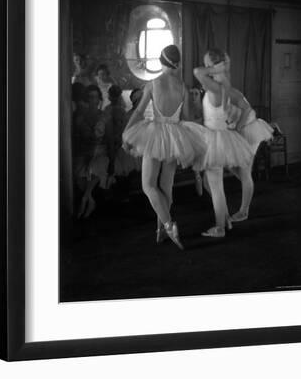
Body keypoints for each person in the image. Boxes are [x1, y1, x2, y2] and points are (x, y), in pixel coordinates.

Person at [122, 45, 206, 249]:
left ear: (161, 61)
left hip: (155, 136)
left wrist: (127, 132)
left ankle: (169, 226)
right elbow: (187, 118)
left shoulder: (153, 84)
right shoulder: (183, 87)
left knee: (148, 186)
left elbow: (139, 112)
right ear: (177, 64)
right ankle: (161, 231)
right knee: (166, 186)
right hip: (175, 138)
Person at [193, 50, 254, 237]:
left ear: (214, 65)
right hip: (224, 137)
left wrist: (214, 68)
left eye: (208, 63)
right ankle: (225, 219)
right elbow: (246, 108)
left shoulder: (214, 87)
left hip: (213, 139)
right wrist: (238, 127)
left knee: (215, 186)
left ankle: (220, 227)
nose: (206, 67)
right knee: (212, 183)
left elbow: (197, 72)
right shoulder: (228, 88)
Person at [208, 56, 274, 221]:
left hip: (249, 129)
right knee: (233, 166)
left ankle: (244, 211)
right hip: (240, 129)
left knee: (244, 171)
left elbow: (247, 109)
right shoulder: (220, 92)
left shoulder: (230, 91)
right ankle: (247, 186)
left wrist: (236, 128)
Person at [73, 85, 109, 218]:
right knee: (80, 172)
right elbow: (77, 137)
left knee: (95, 167)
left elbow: (109, 137)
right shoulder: (80, 117)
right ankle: (89, 199)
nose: (93, 99)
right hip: (85, 151)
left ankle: (85, 198)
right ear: (86, 99)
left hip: (101, 151)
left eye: (95, 97)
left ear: (99, 99)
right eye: (90, 97)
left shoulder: (104, 115)